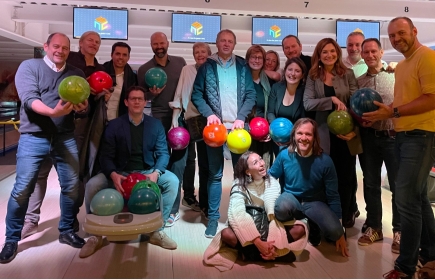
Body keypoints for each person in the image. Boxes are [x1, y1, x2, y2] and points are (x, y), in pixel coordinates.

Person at [0, 32, 88, 264]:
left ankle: (67, 230)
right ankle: (11, 239)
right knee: (22, 188)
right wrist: (52, 112)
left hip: (64, 137)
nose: (60, 51)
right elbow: (29, 99)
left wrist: (81, 107)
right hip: (34, 137)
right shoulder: (29, 67)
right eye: (56, 46)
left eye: (65, 48)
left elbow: (81, 107)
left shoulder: (76, 74)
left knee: (71, 186)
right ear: (46, 47)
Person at [362, 17, 435, 279]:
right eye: (392, 36)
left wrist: (391, 112)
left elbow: (432, 98)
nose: (396, 39)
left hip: (422, 135)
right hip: (404, 135)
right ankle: (431, 255)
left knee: (405, 198)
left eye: (401, 33)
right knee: (418, 197)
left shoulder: (427, 57)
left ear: (414, 31)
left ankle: (405, 266)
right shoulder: (403, 65)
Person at [21, 31, 109, 238]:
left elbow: (87, 101)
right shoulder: (69, 64)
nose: (94, 44)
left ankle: (69, 222)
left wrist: (98, 95)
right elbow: (34, 97)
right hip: (45, 130)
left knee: (73, 177)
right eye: (90, 40)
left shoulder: (98, 67)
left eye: (97, 42)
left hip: (80, 125)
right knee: (39, 175)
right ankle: (31, 220)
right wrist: (54, 111)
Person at [81, 86, 179, 258]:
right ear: (126, 102)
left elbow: (163, 153)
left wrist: (156, 172)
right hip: (120, 172)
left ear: (145, 102)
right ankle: (94, 236)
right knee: (92, 185)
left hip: (146, 171)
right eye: (132, 98)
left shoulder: (155, 125)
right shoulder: (114, 125)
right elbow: (105, 156)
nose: (136, 102)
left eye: (140, 99)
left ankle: (157, 231)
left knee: (172, 181)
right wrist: (112, 174)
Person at [191, 29, 256, 238]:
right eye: (222, 41)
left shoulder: (243, 66)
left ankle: (239, 216)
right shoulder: (206, 67)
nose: (226, 44)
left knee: (241, 176)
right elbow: (197, 95)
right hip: (215, 130)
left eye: (230, 41)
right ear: (217, 43)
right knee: (215, 175)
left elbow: (250, 95)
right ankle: (212, 218)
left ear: (234, 45)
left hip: (238, 129)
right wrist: (209, 114)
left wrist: (242, 116)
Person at [203, 151, 308, 271]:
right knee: (226, 234)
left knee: (300, 228)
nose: (262, 164)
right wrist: (258, 242)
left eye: (260, 159)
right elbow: (238, 215)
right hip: (248, 227)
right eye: (255, 162)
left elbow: (272, 215)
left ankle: (253, 253)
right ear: (248, 171)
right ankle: (271, 254)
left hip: (268, 225)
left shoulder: (272, 182)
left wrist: (273, 244)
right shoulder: (238, 185)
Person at [270, 118, 349, 257]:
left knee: (335, 232)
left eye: (308, 134)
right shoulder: (284, 155)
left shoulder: (325, 161)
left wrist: (340, 227)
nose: (303, 138)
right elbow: (270, 177)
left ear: (314, 138)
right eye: (299, 133)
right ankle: (304, 223)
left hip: (314, 202)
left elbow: (333, 195)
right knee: (280, 208)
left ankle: (311, 222)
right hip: (291, 198)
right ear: (293, 135)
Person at [303, 38, 360, 229]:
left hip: (345, 133)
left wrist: (355, 130)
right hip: (323, 134)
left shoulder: (348, 74)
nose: (329, 55)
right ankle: (326, 217)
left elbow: (356, 104)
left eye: (332, 51)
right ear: (318, 55)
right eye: (324, 52)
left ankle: (346, 213)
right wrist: (331, 99)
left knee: (346, 176)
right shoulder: (313, 77)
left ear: (338, 53)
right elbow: (308, 103)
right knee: (324, 177)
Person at [356, 38, 401, 253]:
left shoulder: (395, 75)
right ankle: (374, 227)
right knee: (371, 183)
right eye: (366, 52)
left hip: (393, 137)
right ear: (362, 55)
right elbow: (356, 108)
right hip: (369, 137)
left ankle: (399, 230)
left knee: (396, 185)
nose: (370, 55)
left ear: (382, 53)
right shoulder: (359, 81)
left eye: (374, 51)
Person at [166, 42, 211, 226]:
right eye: (196, 52)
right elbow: (179, 95)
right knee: (179, 163)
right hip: (186, 119)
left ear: (210, 54)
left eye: (203, 52)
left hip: (207, 122)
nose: (199, 54)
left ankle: (206, 205)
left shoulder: (213, 70)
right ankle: (173, 208)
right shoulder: (187, 70)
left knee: (206, 164)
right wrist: (174, 120)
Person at [137, 32, 186, 134]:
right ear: (151, 45)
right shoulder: (144, 69)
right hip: (159, 116)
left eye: (162, 43)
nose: (159, 46)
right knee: (162, 148)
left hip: (180, 113)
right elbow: (141, 96)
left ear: (167, 43)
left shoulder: (180, 62)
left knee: (181, 148)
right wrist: (152, 94)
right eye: (155, 44)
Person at [267, 57, 307, 156]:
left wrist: (292, 137)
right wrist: (276, 132)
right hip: (277, 138)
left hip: (297, 139)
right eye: (290, 69)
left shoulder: (304, 92)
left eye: (297, 71)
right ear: (285, 71)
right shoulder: (276, 88)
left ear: (302, 75)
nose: (292, 74)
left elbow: (304, 119)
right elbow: (270, 112)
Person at [245, 45, 274, 169]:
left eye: (259, 58)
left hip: (264, 131)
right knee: (248, 167)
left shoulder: (268, 82)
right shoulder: (242, 80)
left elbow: (271, 108)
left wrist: (269, 130)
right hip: (245, 131)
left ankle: (264, 188)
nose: (256, 60)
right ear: (247, 59)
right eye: (253, 57)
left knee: (263, 168)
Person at [103, 42, 138, 121]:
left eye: (124, 55)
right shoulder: (101, 73)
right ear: (112, 55)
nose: (121, 57)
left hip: (121, 121)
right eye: (118, 54)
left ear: (128, 57)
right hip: (100, 120)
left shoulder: (133, 78)